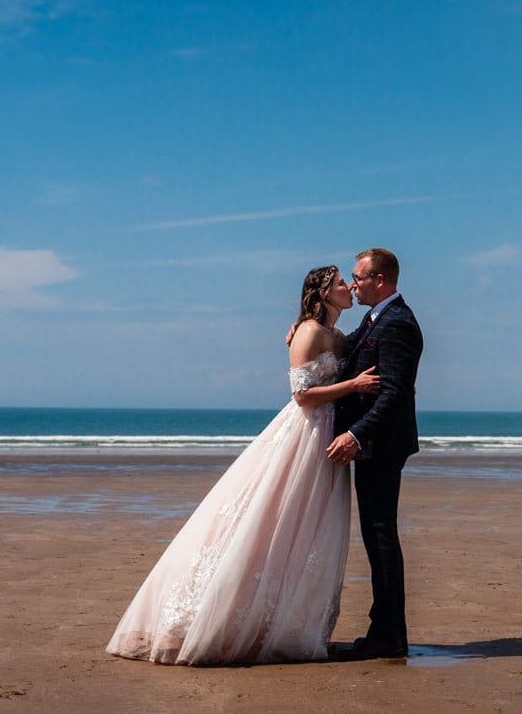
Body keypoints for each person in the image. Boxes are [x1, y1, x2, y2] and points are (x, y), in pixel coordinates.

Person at [105, 265, 381, 665]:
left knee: (306, 527)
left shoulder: (338, 336)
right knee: (269, 516)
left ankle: (282, 618)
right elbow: (302, 395)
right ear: (322, 293)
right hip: (304, 433)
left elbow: (353, 350)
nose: (349, 288)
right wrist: (352, 386)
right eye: (342, 283)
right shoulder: (307, 332)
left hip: (326, 437)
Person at [325, 247, 423, 660]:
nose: (352, 284)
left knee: (381, 537)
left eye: (358, 278)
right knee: (376, 536)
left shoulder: (397, 323)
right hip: (372, 447)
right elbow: (346, 357)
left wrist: (356, 436)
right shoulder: (373, 319)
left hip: (380, 447)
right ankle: (387, 632)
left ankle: (387, 636)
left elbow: (395, 395)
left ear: (379, 280)